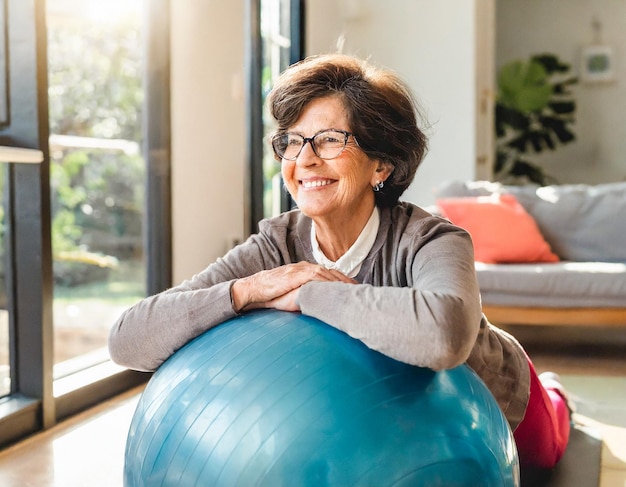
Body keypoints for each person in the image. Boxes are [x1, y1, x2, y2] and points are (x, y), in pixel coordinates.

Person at [109, 53, 570, 470]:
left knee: (550, 453)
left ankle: (557, 394)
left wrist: (311, 293)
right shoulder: (276, 247)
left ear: (381, 165)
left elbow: (444, 335)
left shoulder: (432, 239)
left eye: (329, 140)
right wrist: (246, 291)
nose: (305, 159)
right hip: (371, 424)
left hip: (496, 398)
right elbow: (128, 340)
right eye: (292, 141)